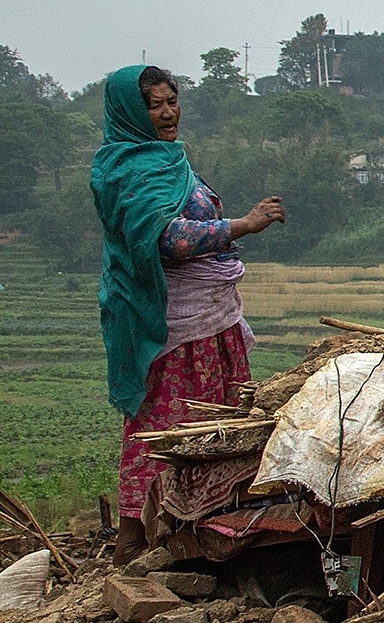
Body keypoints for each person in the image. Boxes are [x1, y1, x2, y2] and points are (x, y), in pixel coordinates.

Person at [90, 64, 284, 560]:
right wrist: (244, 224)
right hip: (171, 324)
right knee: (166, 425)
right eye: (154, 105)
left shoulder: (169, 160)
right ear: (132, 113)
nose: (168, 112)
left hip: (210, 318)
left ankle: (198, 527)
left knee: (216, 420)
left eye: (172, 100)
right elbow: (168, 239)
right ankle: (135, 540)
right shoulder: (128, 169)